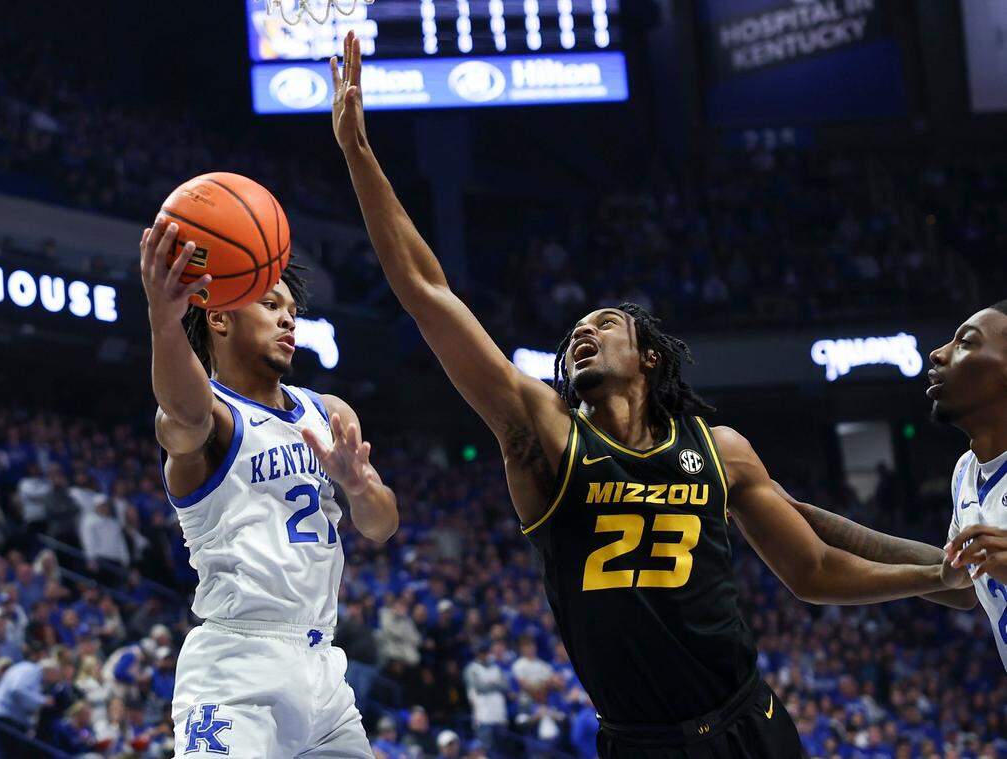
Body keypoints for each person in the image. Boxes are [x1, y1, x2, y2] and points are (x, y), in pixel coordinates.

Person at [329, 32, 968, 758]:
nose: (582, 334)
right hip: (641, 743)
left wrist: (932, 576)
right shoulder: (544, 434)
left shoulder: (719, 450)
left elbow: (813, 569)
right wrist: (358, 151)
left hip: (751, 724)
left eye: (603, 324)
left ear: (650, 356)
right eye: (575, 330)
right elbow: (426, 291)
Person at [140, 215, 400, 757]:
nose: (289, 322)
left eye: (292, 311)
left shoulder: (326, 412)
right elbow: (181, 413)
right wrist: (165, 321)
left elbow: (381, 525)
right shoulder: (212, 417)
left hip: (323, 670)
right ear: (219, 318)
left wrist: (356, 486)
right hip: (236, 669)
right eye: (271, 306)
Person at [936, 303, 1007, 669]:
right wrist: (805, 514)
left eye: (965, 342)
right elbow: (955, 576)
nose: (938, 353)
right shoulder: (965, 470)